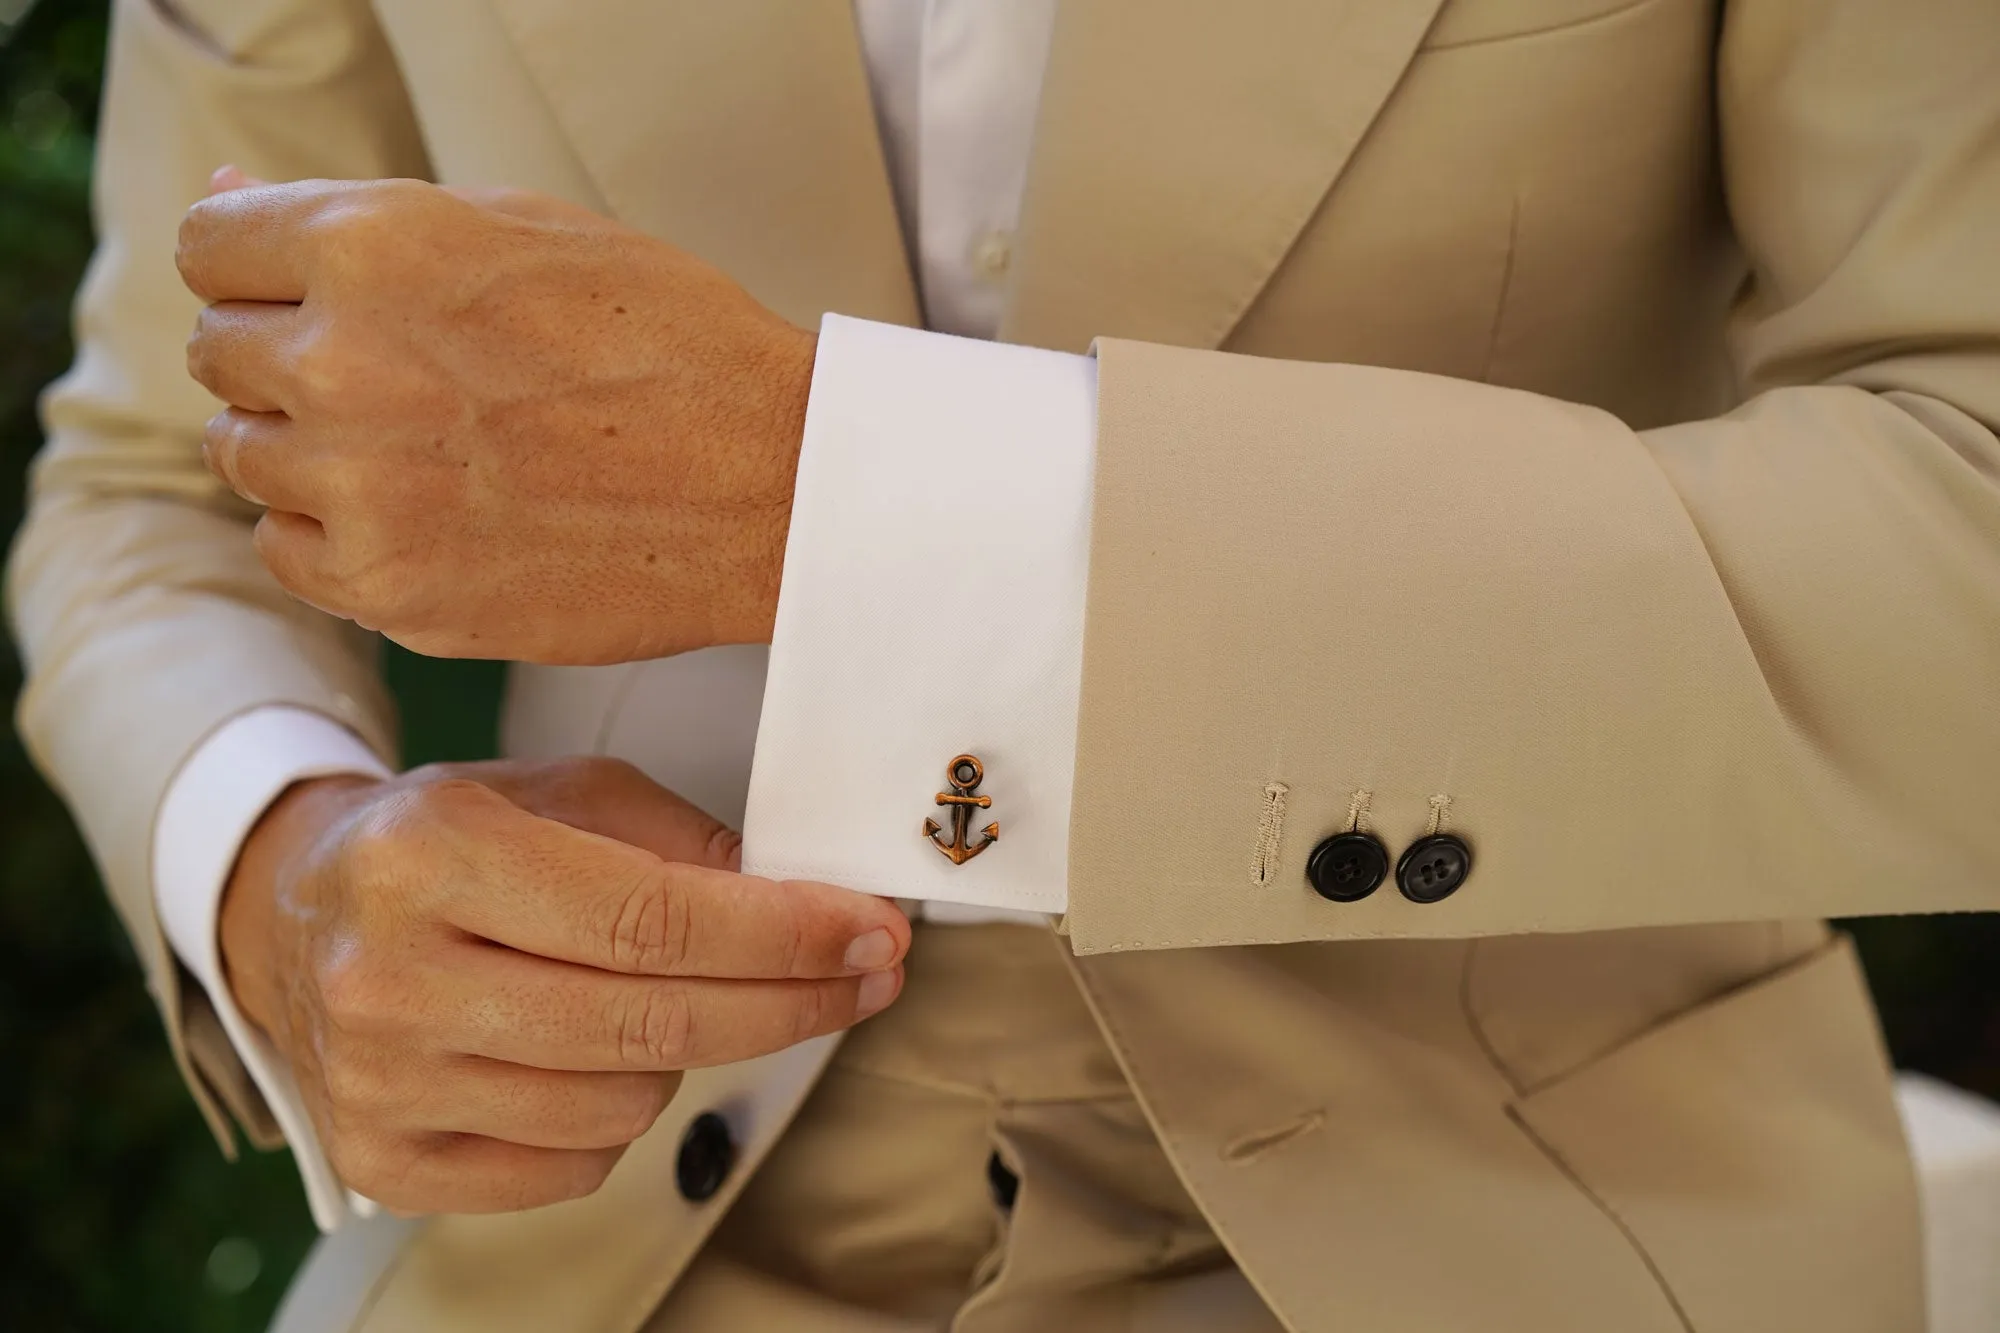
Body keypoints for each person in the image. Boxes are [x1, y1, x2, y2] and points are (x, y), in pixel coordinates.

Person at [12, 0, 2000, 1328]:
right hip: (586, 1254)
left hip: (1526, 1216)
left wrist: (858, 502)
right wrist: (274, 867)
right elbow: (149, 474)